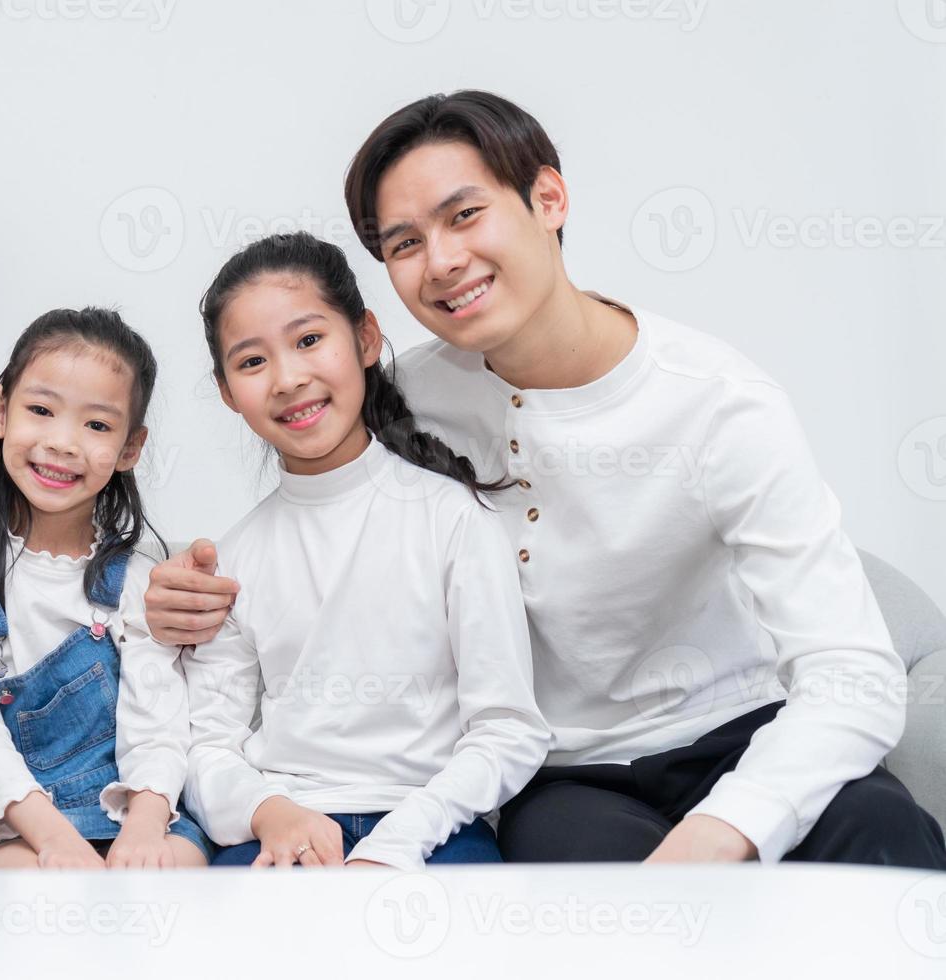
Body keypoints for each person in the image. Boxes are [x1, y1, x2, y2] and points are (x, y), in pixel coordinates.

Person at [149, 91, 946, 870]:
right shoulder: (404, 398)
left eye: (465, 215)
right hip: (565, 775)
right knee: (586, 917)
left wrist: (727, 825)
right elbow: (316, 517)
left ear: (549, 198)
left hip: (744, 727)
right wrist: (179, 592)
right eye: (404, 244)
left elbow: (853, 673)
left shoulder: (718, 405)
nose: (444, 261)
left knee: (886, 841)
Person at [181, 232, 549, 870]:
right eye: (251, 361)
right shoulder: (235, 557)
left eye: (308, 340)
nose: (289, 379)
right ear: (226, 391)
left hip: (436, 828)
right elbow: (208, 745)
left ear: (366, 339)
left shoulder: (454, 520)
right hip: (279, 827)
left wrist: (400, 841)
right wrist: (270, 811)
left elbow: (509, 728)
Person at [0, 307, 211, 869]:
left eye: (96, 425)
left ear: (130, 448)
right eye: (41, 410)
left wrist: (146, 827)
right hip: (22, 823)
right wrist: (54, 839)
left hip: (137, 809)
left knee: (177, 873)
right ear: (0, 410)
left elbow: (159, 721)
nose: (63, 442)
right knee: (29, 891)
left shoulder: (140, 577)